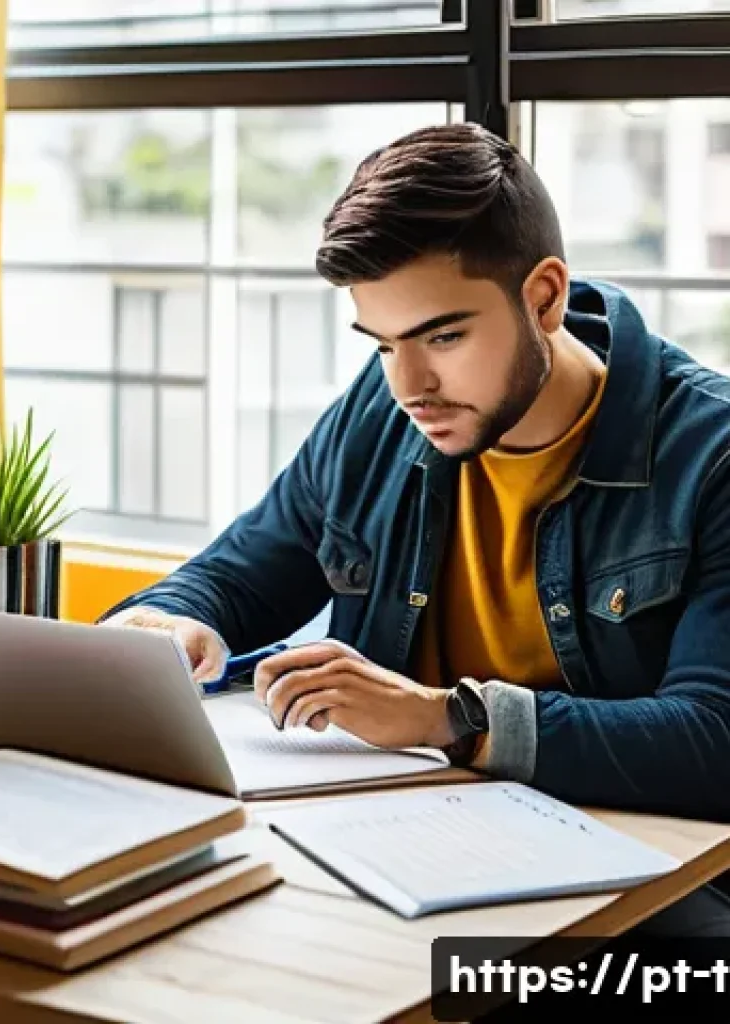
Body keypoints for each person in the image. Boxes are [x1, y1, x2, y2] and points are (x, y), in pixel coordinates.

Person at [100, 122, 730, 936]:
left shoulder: (710, 456)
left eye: (443, 336)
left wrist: (448, 718)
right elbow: (240, 572)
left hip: (641, 882)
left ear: (544, 297)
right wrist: (166, 621)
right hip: (391, 850)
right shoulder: (387, 405)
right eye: (383, 342)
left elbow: (714, 741)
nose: (411, 385)